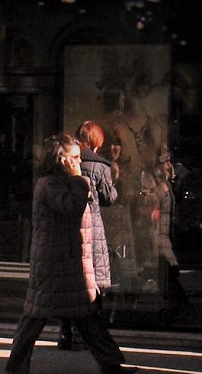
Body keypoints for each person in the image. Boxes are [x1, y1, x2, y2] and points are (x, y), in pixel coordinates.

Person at [5, 133, 138, 374]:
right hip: (54, 263)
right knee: (36, 316)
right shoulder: (50, 184)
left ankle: (109, 364)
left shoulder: (65, 182)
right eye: (74, 157)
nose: (79, 162)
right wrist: (79, 179)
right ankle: (15, 366)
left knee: (87, 315)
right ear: (60, 158)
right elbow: (71, 208)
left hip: (71, 262)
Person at [59, 121, 117, 351]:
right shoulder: (101, 166)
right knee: (92, 284)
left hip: (71, 225)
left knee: (69, 282)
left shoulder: (68, 162)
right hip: (93, 228)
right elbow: (109, 198)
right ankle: (89, 338)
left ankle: (66, 334)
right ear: (96, 142)